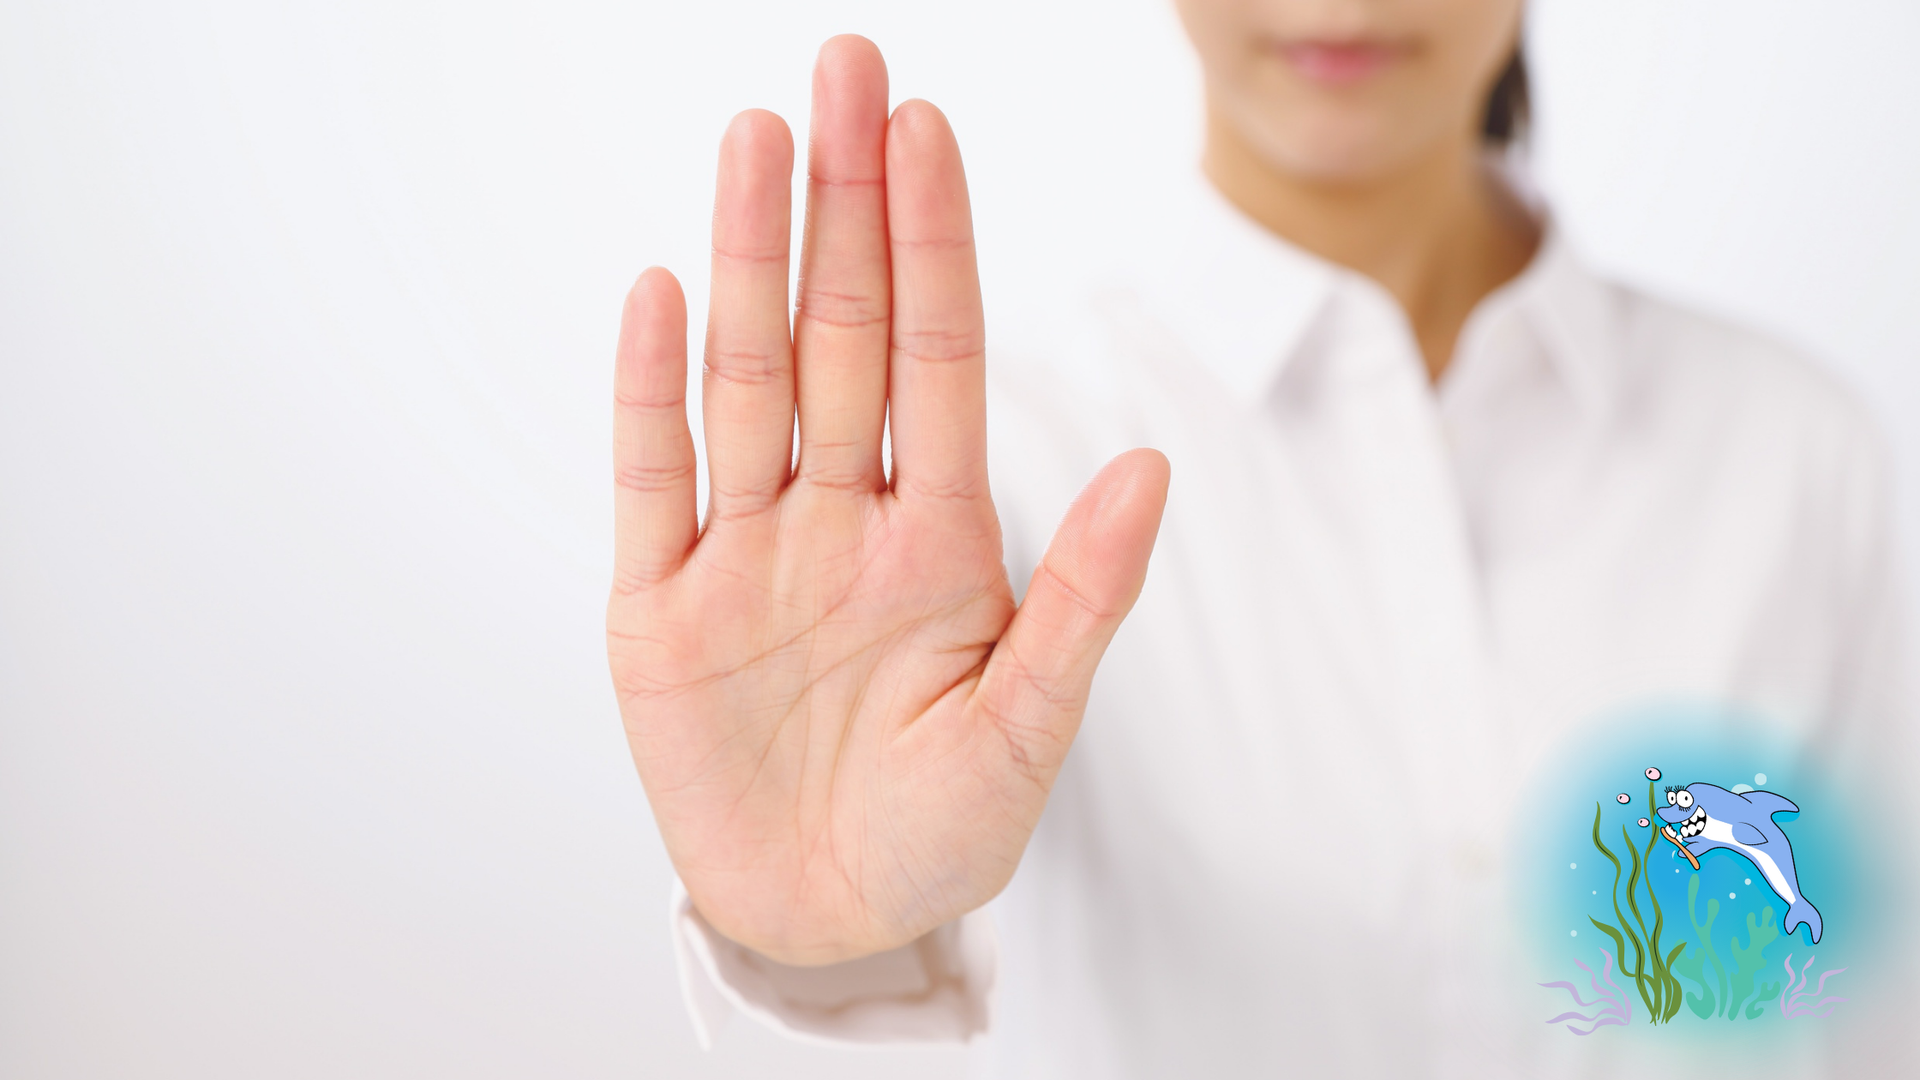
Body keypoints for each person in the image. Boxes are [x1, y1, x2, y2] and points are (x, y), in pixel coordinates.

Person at [607, 3, 1911, 1076]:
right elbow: (903, 897)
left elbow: (1863, 1016)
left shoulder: (1796, 455)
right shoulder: (969, 485)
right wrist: (820, 922)